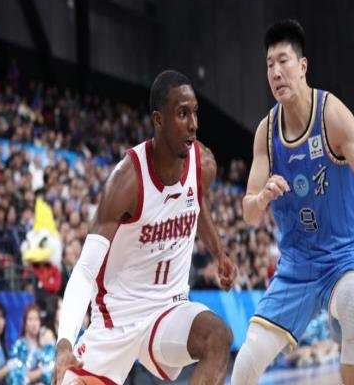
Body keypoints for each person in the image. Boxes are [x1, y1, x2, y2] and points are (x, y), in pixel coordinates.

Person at [54, 70, 236, 385]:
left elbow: (197, 202)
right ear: (158, 119)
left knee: (218, 336)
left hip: (167, 311)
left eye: (195, 113)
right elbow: (84, 271)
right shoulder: (127, 181)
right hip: (117, 319)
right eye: (182, 114)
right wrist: (64, 343)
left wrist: (219, 251)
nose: (193, 124)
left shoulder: (202, 164)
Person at [231, 19, 354, 385]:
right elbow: (249, 213)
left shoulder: (332, 115)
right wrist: (262, 197)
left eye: (283, 61)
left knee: (353, 302)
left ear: (302, 66)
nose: (275, 72)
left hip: (343, 256)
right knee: (247, 361)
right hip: (296, 267)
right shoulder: (266, 133)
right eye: (269, 64)